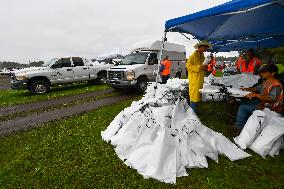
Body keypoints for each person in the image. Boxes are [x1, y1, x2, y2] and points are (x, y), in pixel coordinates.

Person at [235, 64, 283, 129]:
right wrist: (246, 89)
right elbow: (256, 89)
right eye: (262, 72)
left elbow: (272, 99)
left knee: (243, 107)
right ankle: (245, 121)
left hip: (270, 107)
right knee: (242, 102)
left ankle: (238, 127)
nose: (262, 74)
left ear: (273, 73)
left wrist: (256, 95)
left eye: (265, 72)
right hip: (263, 102)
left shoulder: (276, 85)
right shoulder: (266, 82)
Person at [186, 40, 211, 112]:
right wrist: (199, 66)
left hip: (200, 78)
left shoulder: (202, 55)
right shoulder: (193, 56)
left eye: (207, 48)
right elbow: (188, 66)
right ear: (201, 47)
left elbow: (203, 65)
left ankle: (197, 110)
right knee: (194, 95)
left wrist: (205, 67)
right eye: (205, 48)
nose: (206, 50)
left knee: (199, 94)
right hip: (194, 78)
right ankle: (192, 113)